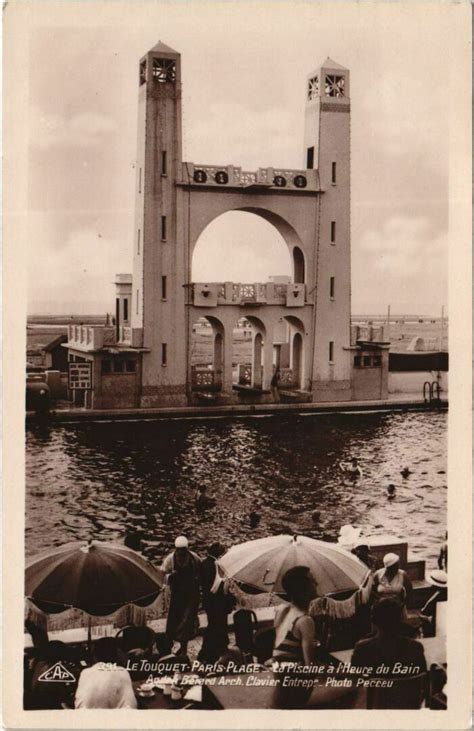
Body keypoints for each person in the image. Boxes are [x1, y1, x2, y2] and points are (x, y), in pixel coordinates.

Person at [351, 599, 427, 708]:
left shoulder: (362, 649)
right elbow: (422, 683)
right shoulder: (416, 648)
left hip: (375, 710)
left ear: (374, 621)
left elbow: (355, 684)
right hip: (408, 708)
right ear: (401, 620)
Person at [161, 536, 202, 656]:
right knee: (174, 622)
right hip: (176, 596)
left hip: (190, 595)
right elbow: (162, 575)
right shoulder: (170, 560)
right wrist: (170, 577)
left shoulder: (194, 559)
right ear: (175, 549)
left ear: (187, 549)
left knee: (187, 622)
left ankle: (183, 649)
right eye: (179, 550)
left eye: (183, 550)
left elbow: (200, 574)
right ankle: (172, 648)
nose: (181, 552)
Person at [75, 638, 137, 709]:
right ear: (117, 655)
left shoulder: (84, 672)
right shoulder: (122, 672)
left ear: (95, 656)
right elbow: (131, 706)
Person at [198, 542, 235, 663]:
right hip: (218, 602)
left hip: (210, 602)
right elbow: (217, 586)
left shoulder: (205, 564)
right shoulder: (216, 565)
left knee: (214, 624)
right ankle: (211, 651)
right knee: (218, 625)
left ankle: (213, 650)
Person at [372, 553, 412, 617]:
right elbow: (372, 591)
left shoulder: (403, 574)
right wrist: (380, 600)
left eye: (398, 564)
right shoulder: (378, 574)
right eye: (396, 566)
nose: (399, 567)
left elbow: (410, 591)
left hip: (398, 607)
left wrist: (402, 604)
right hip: (381, 607)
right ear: (389, 567)